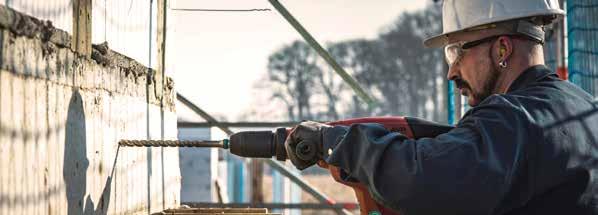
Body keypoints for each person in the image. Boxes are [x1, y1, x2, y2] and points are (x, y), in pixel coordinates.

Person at [284, 0, 598, 214]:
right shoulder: (582, 107)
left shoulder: (512, 120)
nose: (451, 72)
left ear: (503, 48)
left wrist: (338, 142)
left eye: (456, 52)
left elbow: (421, 180)